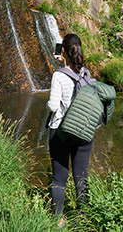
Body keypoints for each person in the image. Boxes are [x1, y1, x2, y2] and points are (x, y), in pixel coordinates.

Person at [46, 33, 93, 223]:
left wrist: (61, 65)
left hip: (61, 131)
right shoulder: (86, 73)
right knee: (81, 176)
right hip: (84, 131)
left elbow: (53, 106)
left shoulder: (58, 75)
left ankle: (58, 220)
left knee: (59, 178)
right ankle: (84, 217)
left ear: (63, 51)